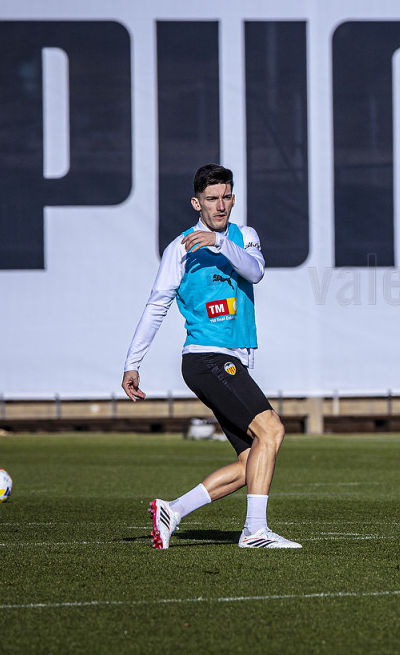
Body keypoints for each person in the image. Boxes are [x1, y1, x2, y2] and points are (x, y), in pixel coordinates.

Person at [121, 164, 300, 550]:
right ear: (196, 203)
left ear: (233, 199)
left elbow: (255, 272)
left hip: (230, 359)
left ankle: (172, 510)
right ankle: (255, 531)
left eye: (225, 197)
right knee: (272, 430)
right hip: (206, 358)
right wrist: (132, 363)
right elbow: (157, 305)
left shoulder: (243, 237)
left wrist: (219, 243)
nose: (220, 205)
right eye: (211, 198)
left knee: (251, 460)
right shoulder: (179, 249)